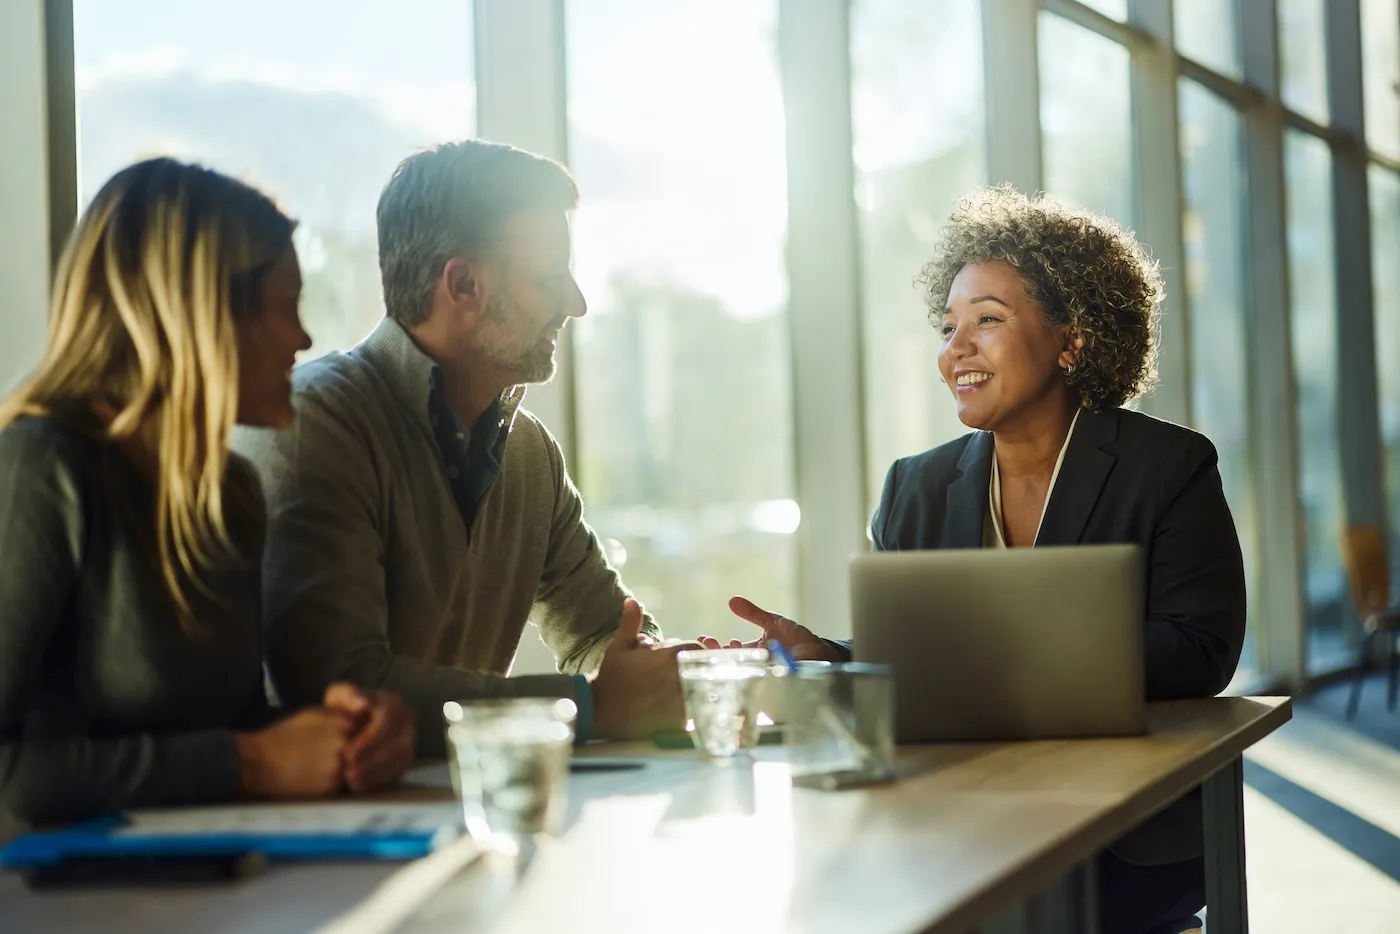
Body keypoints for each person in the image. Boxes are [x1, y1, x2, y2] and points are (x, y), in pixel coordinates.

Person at [704, 186, 1246, 934]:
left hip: (1121, 838)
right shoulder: (913, 489)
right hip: (956, 813)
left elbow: (1200, 650)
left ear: (1072, 341)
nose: (955, 347)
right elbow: (916, 657)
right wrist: (830, 655)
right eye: (948, 325)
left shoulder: (1168, 465)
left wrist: (1007, 653)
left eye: (987, 321)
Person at [0, 158, 416, 837]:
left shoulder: (231, 493)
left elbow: (231, 728)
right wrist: (250, 762)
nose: (306, 339)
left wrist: (354, 734)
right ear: (206, 314)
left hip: (202, 888)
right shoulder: (40, 470)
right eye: (287, 306)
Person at [231, 140, 688, 756]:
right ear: (464, 284)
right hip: (326, 836)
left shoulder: (529, 454)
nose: (575, 304)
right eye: (551, 278)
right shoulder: (317, 423)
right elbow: (338, 685)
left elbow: (604, 631)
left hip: (463, 816)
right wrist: (586, 706)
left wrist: (671, 669)